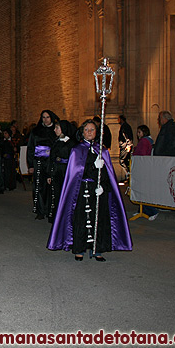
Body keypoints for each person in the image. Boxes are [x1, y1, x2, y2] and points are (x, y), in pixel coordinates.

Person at [47, 120, 133, 261]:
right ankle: (79, 248)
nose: (89, 132)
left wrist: (103, 186)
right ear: (82, 132)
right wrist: (93, 166)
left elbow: (108, 175)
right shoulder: (76, 150)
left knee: (99, 219)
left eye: (92, 130)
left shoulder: (103, 151)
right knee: (82, 218)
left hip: (98, 191)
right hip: (82, 189)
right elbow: (77, 173)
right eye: (86, 130)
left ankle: (97, 248)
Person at [26, 110, 59, 220]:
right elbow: (30, 147)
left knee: (51, 187)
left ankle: (50, 210)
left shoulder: (56, 130)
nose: (45, 119)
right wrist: (30, 164)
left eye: (48, 117)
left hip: (51, 162)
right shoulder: (35, 131)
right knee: (39, 186)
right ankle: (40, 210)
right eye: (43, 117)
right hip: (38, 162)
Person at [46, 120, 77, 223]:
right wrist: (49, 174)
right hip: (56, 171)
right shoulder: (56, 142)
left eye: (57, 128)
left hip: (66, 171)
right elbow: (51, 158)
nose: (54, 130)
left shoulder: (72, 144)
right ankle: (56, 216)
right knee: (56, 193)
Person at [118, 115, 133, 181]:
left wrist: (128, 145)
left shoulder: (125, 127)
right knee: (124, 161)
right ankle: (128, 175)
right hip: (125, 145)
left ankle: (128, 175)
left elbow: (127, 136)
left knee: (123, 161)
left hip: (125, 146)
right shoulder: (125, 126)